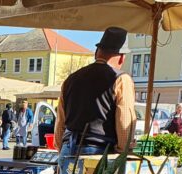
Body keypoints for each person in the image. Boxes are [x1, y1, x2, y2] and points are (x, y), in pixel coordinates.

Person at [54, 26, 136, 160]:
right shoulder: (121, 79)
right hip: (97, 151)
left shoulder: (71, 79)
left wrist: (60, 147)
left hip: (67, 147)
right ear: (122, 58)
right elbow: (124, 123)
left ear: (96, 53)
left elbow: (60, 120)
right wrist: (123, 151)